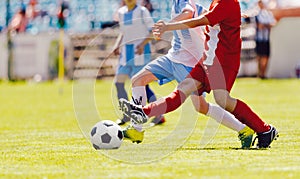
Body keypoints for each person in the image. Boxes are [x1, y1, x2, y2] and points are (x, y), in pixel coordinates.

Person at [120, 0, 278, 148]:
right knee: (182, 91)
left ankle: (263, 129)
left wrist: (168, 26)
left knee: (222, 100)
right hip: (207, 60)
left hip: (223, 62)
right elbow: (204, 14)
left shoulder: (227, 3)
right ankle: (142, 113)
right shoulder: (219, 3)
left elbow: (198, 20)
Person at [112, 0, 165, 127]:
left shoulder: (142, 11)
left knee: (141, 86)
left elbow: (152, 31)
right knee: (118, 83)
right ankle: (126, 114)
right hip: (126, 53)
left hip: (140, 53)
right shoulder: (121, 12)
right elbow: (123, 32)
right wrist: (117, 45)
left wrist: (142, 44)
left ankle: (159, 114)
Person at [255, 0, 276, 79]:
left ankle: (263, 74)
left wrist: (265, 25)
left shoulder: (268, 14)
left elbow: (273, 23)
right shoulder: (257, 14)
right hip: (259, 39)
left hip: (266, 39)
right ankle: (260, 73)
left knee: (266, 56)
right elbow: (260, 26)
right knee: (260, 56)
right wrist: (267, 25)